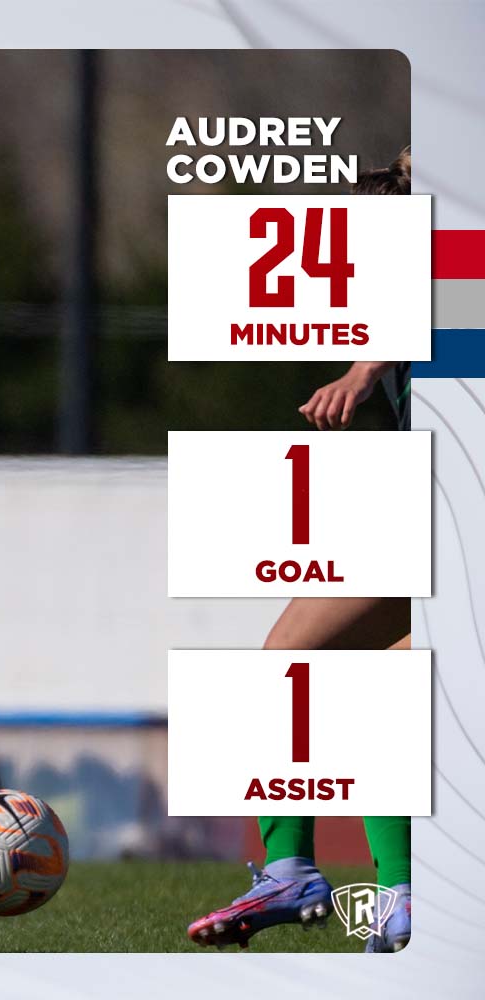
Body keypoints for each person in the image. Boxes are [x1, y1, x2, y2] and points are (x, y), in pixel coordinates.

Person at [187, 149, 413, 953]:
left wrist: (365, 367)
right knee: (335, 667)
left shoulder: (449, 270)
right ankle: (370, 887)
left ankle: (339, 878)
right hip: (424, 510)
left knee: (313, 664)